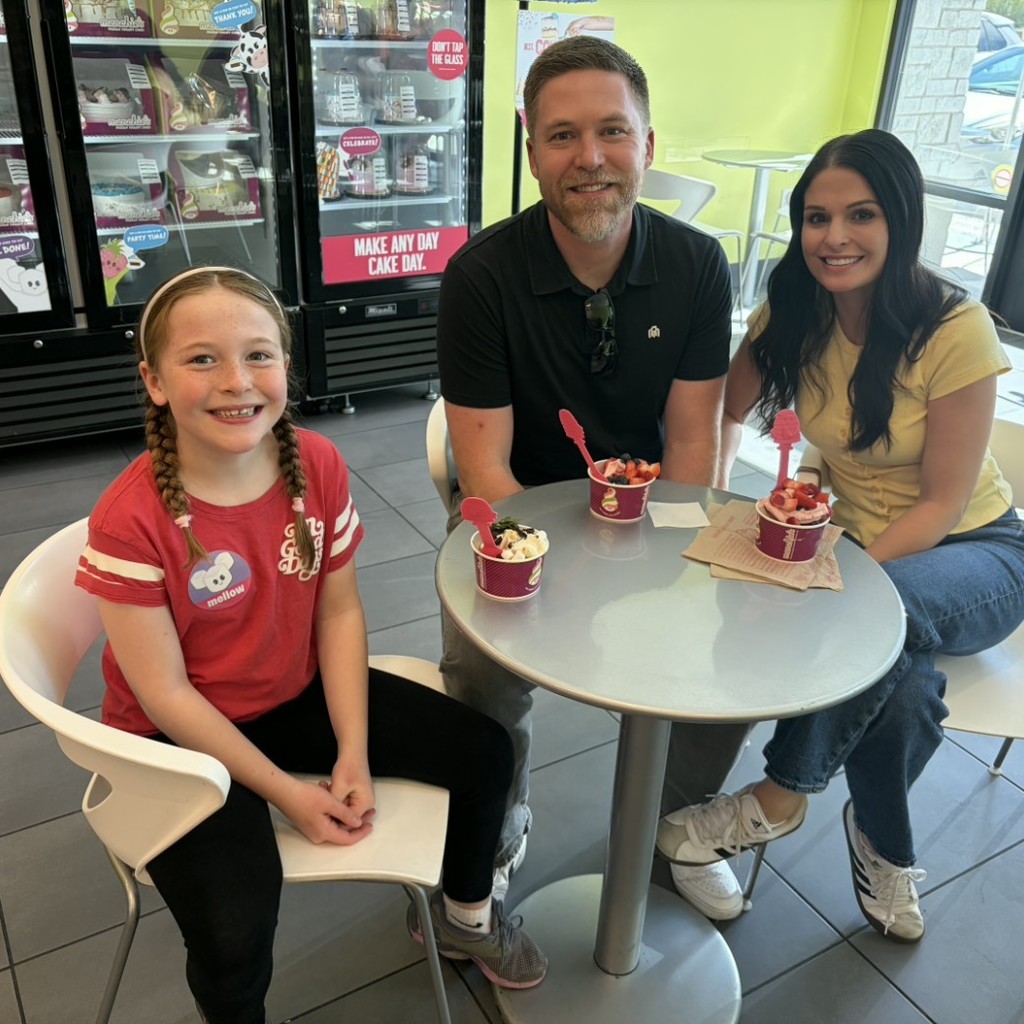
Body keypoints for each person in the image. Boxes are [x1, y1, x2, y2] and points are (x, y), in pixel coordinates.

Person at [73, 266, 547, 1024]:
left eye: (259, 355)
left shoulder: (315, 466)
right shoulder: (130, 521)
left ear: (287, 368)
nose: (237, 381)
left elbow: (337, 616)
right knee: (234, 931)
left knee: (487, 752)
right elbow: (164, 695)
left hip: (289, 696)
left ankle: (465, 920)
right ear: (154, 381)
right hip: (178, 740)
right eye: (202, 359)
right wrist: (286, 791)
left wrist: (350, 752)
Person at [656, 129, 1024, 943]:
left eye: (860, 215)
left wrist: (831, 572)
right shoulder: (799, 311)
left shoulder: (955, 329)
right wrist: (723, 497)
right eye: (816, 218)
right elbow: (727, 403)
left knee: (882, 618)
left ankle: (777, 797)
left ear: (900, 220)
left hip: (978, 551)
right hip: (851, 540)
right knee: (905, 696)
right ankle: (884, 844)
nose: (835, 237)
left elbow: (940, 504)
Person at [436, 35, 752, 921]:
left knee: (726, 647)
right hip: (524, 508)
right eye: (563, 135)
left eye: (613, 131)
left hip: (653, 508)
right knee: (483, 672)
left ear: (649, 144)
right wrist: (539, 568)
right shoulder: (480, 277)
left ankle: (679, 819)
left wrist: (665, 572)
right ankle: (500, 820)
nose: (590, 158)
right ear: (531, 148)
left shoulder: (695, 265)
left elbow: (693, 443)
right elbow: (485, 468)